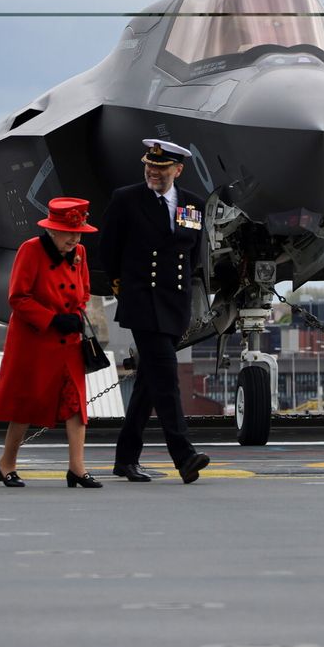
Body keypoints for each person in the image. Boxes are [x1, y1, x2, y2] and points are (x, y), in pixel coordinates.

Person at [98, 139, 211, 484]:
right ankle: (184, 454)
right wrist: (124, 288)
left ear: (177, 170)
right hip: (142, 302)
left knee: (149, 382)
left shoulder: (192, 204)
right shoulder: (127, 199)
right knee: (166, 376)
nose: (153, 172)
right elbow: (107, 251)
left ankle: (125, 458)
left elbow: (192, 254)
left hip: (174, 304)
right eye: (149, 165)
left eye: (161, 168)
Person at [0, 197, 101, 489]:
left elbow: (84, 289)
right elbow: (18, 297)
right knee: (26, 402)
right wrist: (51, 319)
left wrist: (76, 314)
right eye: (69, 233)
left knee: (76, 404)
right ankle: (6, 463)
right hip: (34, 340)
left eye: (78, 234)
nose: (74, 239)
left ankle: (77, 468)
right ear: (52, 230)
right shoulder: (31, 250)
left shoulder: (80, 253)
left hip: (68, 340)